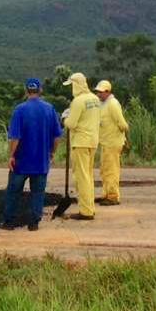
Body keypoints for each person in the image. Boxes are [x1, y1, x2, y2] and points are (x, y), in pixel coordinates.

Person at [2, 79, 61, 230]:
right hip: (41, 161)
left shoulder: (19, 110)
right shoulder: (49, 109)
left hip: (21, 162)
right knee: (38, 193)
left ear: (26, 91)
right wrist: (52, 153)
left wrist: (11, 155)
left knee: (14, 192)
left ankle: (9, 222)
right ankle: (34, 223)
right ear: (40, 90)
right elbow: (57, 137)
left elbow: (15, 137)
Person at [61, 72, 102, 220]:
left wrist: (65, 117)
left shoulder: (78, 101)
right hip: (92, 141)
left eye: (71, 85)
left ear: (76, 85)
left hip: (80, 142)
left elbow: (71, 124)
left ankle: (86, 211)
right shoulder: (95, 99)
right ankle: (89, 207)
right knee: (88, 176)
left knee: (81, 177)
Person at [95, 80, 129, 206]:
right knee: (104, 170)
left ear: (108, 92)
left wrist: (124, 138)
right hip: (105, 142)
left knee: (111, 170)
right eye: (98, 92)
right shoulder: (103, 103)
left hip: (113, 142)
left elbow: (122, 124)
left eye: (101, 92)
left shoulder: (113, 104)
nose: (99, 94)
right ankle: (106, 194)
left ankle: (113, 196)